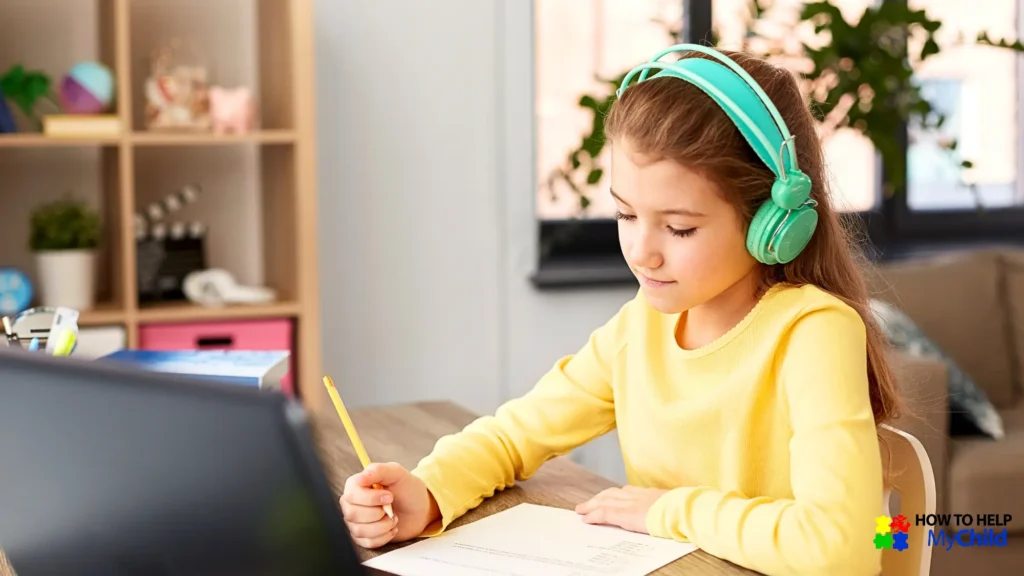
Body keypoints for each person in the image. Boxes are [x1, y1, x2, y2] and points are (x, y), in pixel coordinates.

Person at [339, 45, 901, 576]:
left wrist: (666, 511)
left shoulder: (813, 334)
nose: (641, 251)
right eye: (626, 216)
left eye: (679, 226)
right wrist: (429, 492)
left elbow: (841, 547)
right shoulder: (642, 327)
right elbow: (515, 435)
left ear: (771, 225)